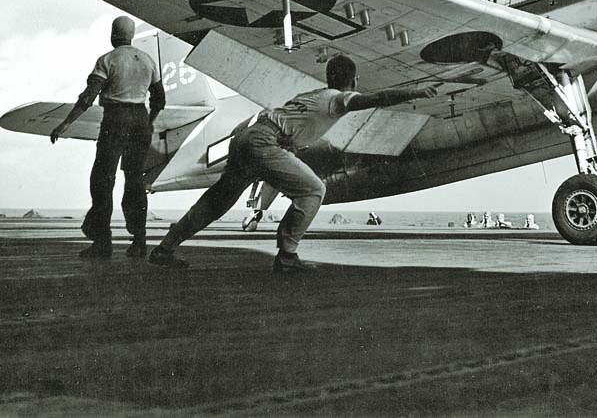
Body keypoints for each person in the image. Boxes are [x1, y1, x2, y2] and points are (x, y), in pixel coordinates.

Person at [148, 54, 438, 274]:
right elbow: (376, 99)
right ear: (353, 81)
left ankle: (166, 248)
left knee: (218, 199)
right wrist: (414, 92)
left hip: (246, 138)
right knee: (313, 190)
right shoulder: (338, 99)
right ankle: (287, 256)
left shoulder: (311, 95)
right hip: (265, 142)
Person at [50, 16, 166, 259]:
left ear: (113, 34)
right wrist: (150, 122)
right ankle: (139, 241)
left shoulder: (108, 59)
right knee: (134, 182)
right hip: (140, 120)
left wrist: (66, 123)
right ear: (131, 35)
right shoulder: (147, 60)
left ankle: (102, 241)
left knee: (102, 180)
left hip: (115, 120)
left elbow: (87, 97)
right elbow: (159, 100)